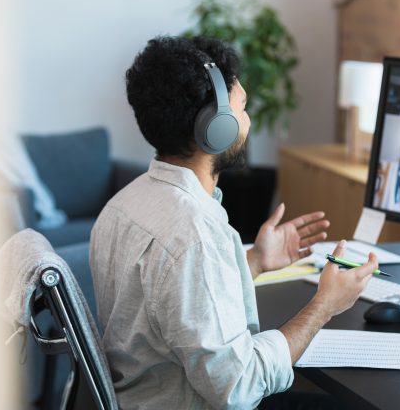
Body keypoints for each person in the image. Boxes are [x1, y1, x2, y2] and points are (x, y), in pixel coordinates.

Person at [90, 36, 378, 409]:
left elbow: (170, 303)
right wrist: (325, 304)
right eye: (241, 109)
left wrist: (255, 260)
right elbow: (238, 388)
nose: (248, 120)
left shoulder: (121, 206)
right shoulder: (194, 235)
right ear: (216, 128)